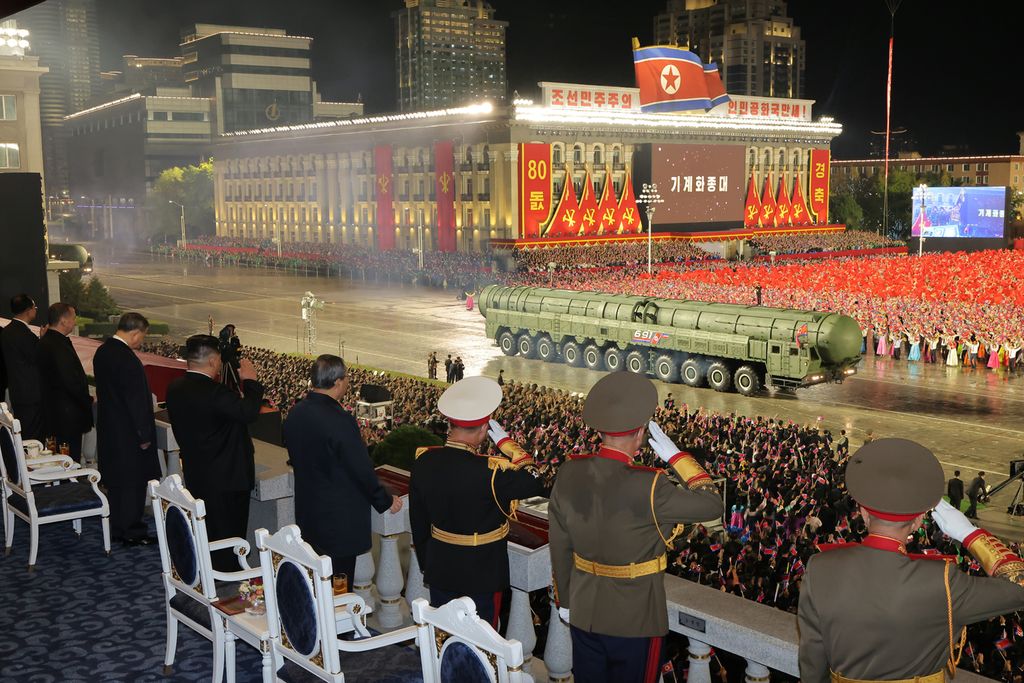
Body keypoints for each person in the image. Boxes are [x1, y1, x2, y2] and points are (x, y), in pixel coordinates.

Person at [799, 438, 1024, 682]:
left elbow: (813, 662)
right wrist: (971, 535)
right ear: (917, 522)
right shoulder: (943, 581)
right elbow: (1019, 586)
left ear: (863, 514)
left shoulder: (820, 567)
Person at [548, 372, 724, 681]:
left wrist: (565, 599)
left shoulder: (569, 472)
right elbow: (711, 503)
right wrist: (678, 457)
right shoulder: (652, 485)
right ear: (641, 433)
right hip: (635, 619)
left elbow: (559, 544)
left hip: (583, 612)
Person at [409, 375, 550, 628]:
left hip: (441, 566)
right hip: (483, 572)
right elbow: (535, 478)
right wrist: (509, 446)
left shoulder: (424, 461)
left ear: (450, 425)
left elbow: (418, 521)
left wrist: (428, 561)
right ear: (485, 430)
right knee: (483, 643)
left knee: (446, 634)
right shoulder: (491, 473)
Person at [283, 354, 401, 584]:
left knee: (316, 582)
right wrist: (384, 499)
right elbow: (360, 469)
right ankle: (336, 620)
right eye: (347, 378)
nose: (348, 382)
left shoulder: (297, 412)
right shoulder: (339, 419)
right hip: (338, 521)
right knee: (339, 586)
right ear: (337, 382)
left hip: (309, 512)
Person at [165, 334, 265, 571]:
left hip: (198, 472)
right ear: (212, 361)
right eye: (219, 360)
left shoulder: (176, 387)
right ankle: (227, 585)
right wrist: (251, 381)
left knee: (208, 532)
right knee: (229, 538)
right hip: (227, 479)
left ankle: (210, 576)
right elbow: (248, 412)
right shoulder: (214, 393)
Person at [92, 312, 161, 546]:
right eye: (142, 336)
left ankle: (120, 527)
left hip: (111, 429)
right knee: (133, 483)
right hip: (130, 434)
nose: (141, 341)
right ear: (134, 333)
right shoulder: (127, 359)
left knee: (118, 483)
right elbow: (137, 401)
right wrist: (143, 434)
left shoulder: (103, 352)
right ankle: (133, 531)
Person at [35, 303, 92, 461]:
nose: (75, 322)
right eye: (73, 318)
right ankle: (70, 484)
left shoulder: (45, 341)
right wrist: (88, 400)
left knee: (58, 456)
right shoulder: (57, 345)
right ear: (63, 320)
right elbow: (71, 380)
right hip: (67, 414)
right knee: (68, 459)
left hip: (53, 411)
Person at [1, 294, 43, 439]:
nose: (35, 310)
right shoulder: (24, 334)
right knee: (33, 437)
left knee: (24, 433)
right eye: (35, 307)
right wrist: (42, 341)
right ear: (28, 310)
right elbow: (37, 358)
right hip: (31, 394)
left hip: (17, 391)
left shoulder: (7, 331)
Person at [218, 324, 242, 394]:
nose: (229, 332)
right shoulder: (222, 341)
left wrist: (233, 349)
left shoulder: (235, 340)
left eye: (231, 330)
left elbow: (239, 351)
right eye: (228, 330)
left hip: (233, 363)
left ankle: (237, 392)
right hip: (225, 363)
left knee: (235, 380)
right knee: (225, 381)